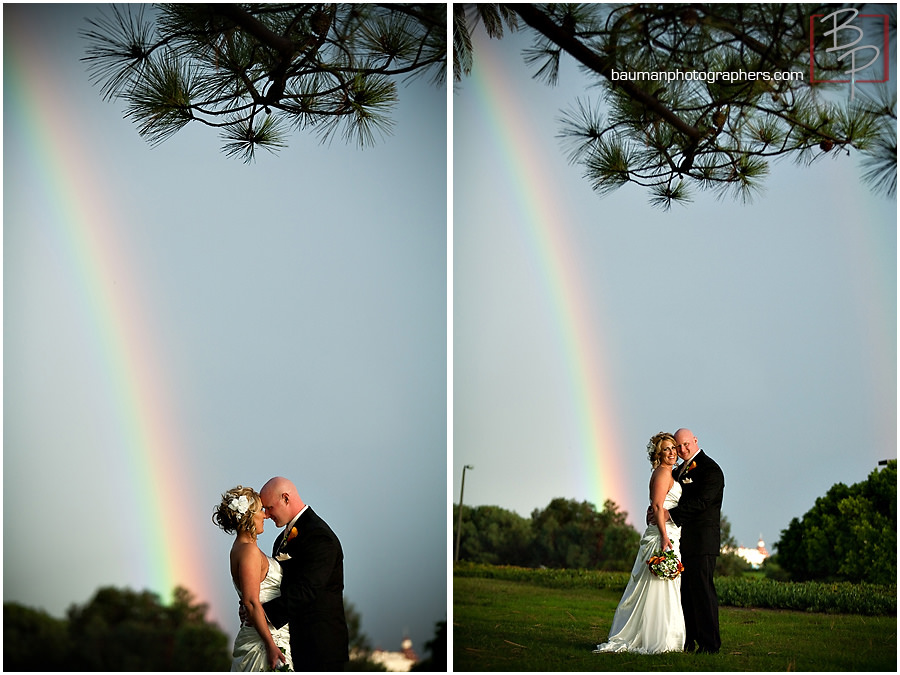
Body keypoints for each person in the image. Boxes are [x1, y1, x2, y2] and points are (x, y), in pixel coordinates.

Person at [594, 432, 686, 654]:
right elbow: (656, 506)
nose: (672, 452)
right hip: (663, 535)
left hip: (672, 531)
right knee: (657, 585)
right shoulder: (663, 474)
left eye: (674, 448)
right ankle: (657, 639)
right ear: (658, 453)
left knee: (665, 585)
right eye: (666, 449)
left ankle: (660, 636)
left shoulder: (669, 473)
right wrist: (664, 537)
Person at [258, 476, 350, 672]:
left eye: (269, 507)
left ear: (285, 498)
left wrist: (261, 612)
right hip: (292, 643)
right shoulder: (281, 539)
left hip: (319, 649)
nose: (266, 514)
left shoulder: (319, 536)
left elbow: (308, 589)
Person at [213, 485, 292, 671]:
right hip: (265, 641)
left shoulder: (240, 548)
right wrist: (271, 646)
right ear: (248, 516)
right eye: (260, 511)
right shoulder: (248, 551)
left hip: (270, 632)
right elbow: (250, 601)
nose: (265, 516)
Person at [666, 428, 725, 654]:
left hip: (703, 542)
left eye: (685, 444)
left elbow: (703, 502)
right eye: (678, 446)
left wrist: (670, 515)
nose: (682, 449)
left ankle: (710, 645)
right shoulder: (679, 470)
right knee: (686, 593)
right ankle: (688, 640)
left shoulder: (711, 469)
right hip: (683, 541)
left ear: (695, 440)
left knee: (702, 593)